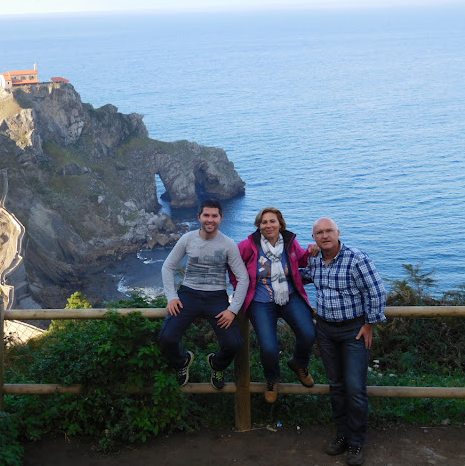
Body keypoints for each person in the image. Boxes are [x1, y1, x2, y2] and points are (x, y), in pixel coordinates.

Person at [302, 217, 387, 466]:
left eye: (329, 231)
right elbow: (304, 276)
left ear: (338, 233)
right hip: (326, 331)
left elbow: (377, 291)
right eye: (319, 232)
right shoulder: (315, 260)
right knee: (336, 386)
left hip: (354, 331)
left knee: (355, 387)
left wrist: (369, 323)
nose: (325, 235)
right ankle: (342, 434)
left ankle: (356, 441)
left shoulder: (356, 258)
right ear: (314, 238)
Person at [159, 199, 249, 390]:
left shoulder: (228, 244)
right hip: (188, 295)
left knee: (234, 343)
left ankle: (216, 365)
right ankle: (182, 362)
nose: (210, 220)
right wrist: (172, 297)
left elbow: (243, 278)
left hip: (216, 298)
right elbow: (167, 266)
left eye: (214, 216)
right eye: (206, 215)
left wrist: (233, 310)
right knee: (166, 337)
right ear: (198, 216)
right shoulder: (188, 239)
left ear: (221, 218)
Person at [230, 207, 317, 403]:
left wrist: (311, 252)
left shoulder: (289, 242)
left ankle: (299, 364)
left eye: (272, 221)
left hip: (290, 296)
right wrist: (239, 287)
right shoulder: (248, 245)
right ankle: (272, 379)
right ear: (259, 226)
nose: (268, 225)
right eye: (264, 222)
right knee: (268, 347)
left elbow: (301, 260)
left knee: (309, 333)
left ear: (280, 224)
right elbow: (232, 263)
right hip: (260, 301)